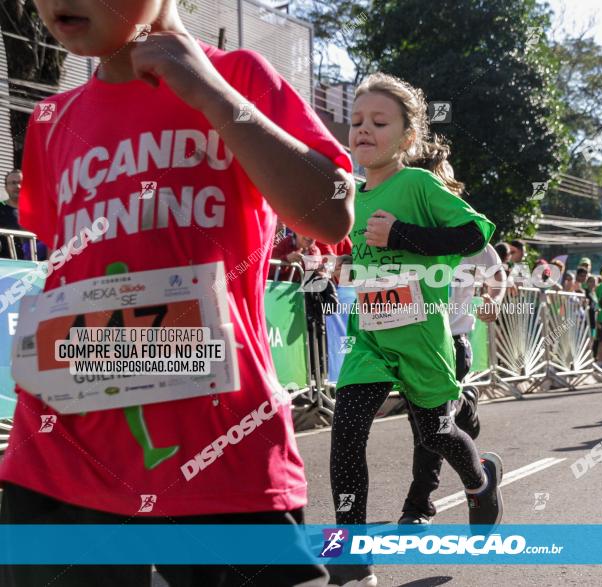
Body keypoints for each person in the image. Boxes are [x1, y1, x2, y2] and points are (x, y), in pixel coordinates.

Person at [0, 2, 355, 586]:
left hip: (224, 449)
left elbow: (332, 216)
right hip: (58, 457)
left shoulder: (239, 76)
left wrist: (212, 95)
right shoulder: (49, 119)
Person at [331, 72, 502, 586]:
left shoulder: (419, 184)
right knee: (345, 436)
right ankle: (350, 558)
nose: (363, 130)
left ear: (407, 137)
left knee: (436, 432)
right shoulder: (351, 197)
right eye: (356, 120)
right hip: (371, 340)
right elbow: (363, 261)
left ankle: (479, 482)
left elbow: (475, 233)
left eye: (379, 122)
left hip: (424, 336)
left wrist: (402, 233)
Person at [399, 244, 506, 525]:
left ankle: (418, 505)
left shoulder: (466, 229)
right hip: (410, 342)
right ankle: (465, 405)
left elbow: (496, 272)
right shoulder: (406, 226)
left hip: (452, 343)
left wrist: (493, 298)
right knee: (424, 424)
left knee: (432, 428)